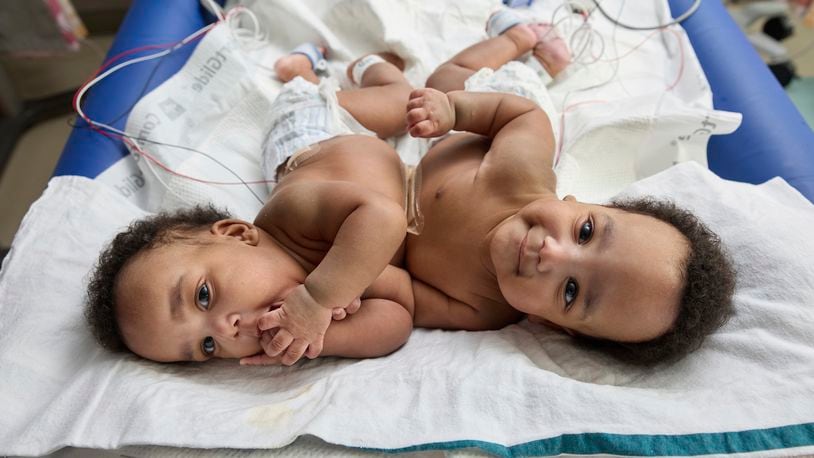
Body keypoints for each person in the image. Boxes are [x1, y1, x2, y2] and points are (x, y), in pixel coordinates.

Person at [400, 12, 736, 366]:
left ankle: (545, 59)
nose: (551, 254)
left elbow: (406, 295)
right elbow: (520, 116)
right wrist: (453, 111)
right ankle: (520, 39)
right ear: (580, 202)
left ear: (550, 323)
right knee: (444, 80)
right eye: (585, 232)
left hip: (401, 182)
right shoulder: (518, 173)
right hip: (473, 121)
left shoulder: (480, 309)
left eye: (571, 292)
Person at [86, 48, 420, 366]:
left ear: (237, 233)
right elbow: (400, 315)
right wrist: (317, 337)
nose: (224, 330)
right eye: (207, 346)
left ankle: (355, 68)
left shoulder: (294, 214)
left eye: (203, 296)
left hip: (316, 132)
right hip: (392, 178)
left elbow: (383, 218)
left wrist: (319, 299)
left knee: (404, 104)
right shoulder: (300, 305)